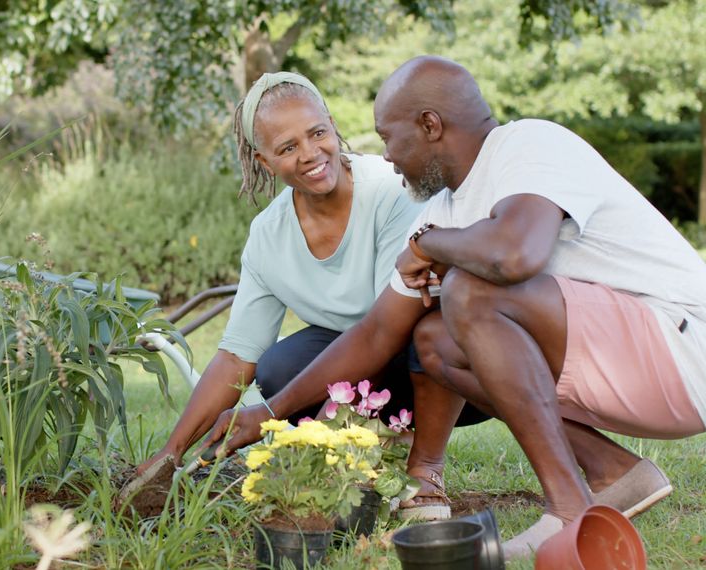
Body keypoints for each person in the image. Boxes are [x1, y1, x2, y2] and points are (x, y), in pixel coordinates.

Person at [206, 55, 706, 559]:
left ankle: (569, 512)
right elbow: (379, 333)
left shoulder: (529, 144)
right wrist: (268, 411)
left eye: (388, 138)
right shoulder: (442, 210)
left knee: (468, 290)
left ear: (430, 125)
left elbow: (515, 253)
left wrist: (434, 244)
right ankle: (615, 473)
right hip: (626, 371)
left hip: (683, 348)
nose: (387, 156)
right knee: (435, 340)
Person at [136, 71, 486, 521]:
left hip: (444, 370)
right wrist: (171, 452)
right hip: (360, 376)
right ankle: (367, 451)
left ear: (333, 125)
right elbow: (234, 357)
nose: (310, 155)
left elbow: (389, 328)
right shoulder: (269, 236)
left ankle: (422, 468)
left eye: (317, 133)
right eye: (287, 148)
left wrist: (306, 439)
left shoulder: (391, 191)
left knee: (426, 327)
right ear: (264, 162)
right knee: (278, 365)